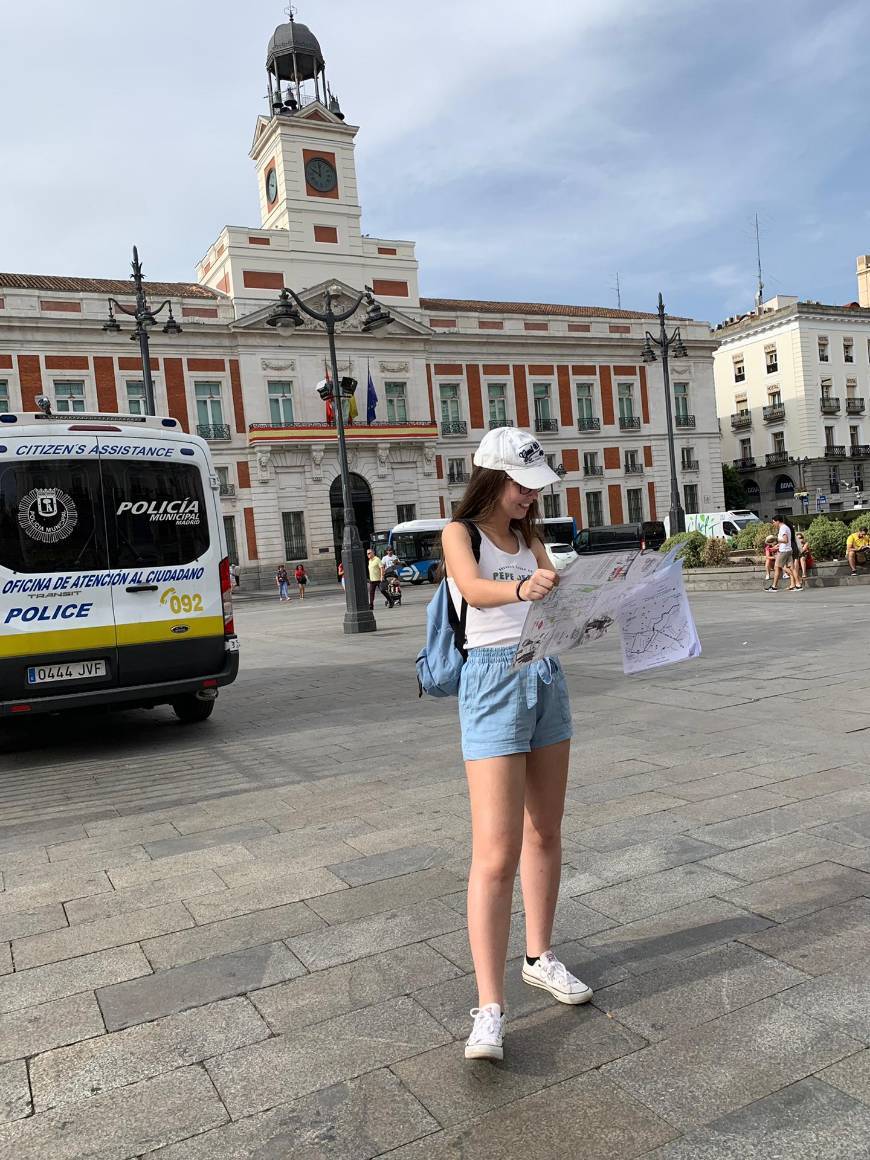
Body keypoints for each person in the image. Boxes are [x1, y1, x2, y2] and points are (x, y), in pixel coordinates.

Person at [441, 427, 591, 1064]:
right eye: (523, 486)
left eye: (536, 487)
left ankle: (541, 955)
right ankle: (489, 1008)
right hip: (493, 681)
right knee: (495, 853)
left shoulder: (531, 535)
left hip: (545, 672)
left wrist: (584, 598)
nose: (533, 496)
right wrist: (523, 589)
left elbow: (555, 594)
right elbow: (473, 591)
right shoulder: (461, 533)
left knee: (546, 831)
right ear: (492, 479)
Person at [769, 516, 801, 591]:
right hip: (788, 549)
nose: (773, 524)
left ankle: (774, 586)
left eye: (773, 522)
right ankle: (798, 585)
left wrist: (776, 539)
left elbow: (785, 540)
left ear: (778, 521)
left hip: (784, 551)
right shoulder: (786, 527)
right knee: (792, 568)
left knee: (777, 568)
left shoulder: (783, 528)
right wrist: (777, 545)